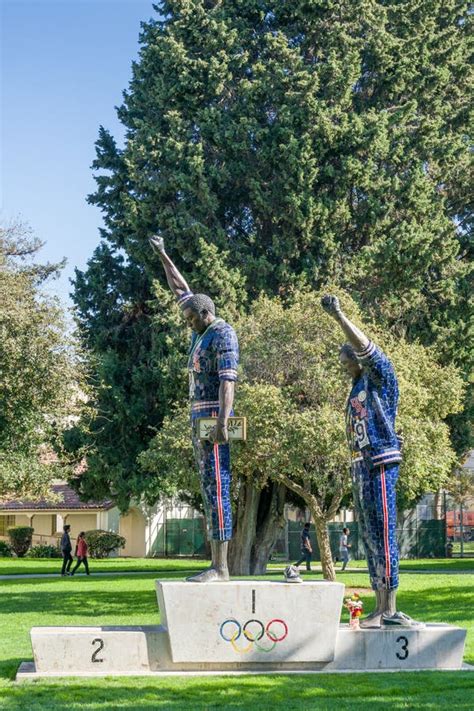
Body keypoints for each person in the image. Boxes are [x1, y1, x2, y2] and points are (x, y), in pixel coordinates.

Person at [321, 294, 422, 628]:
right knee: (368, 535)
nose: (343, 366)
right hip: (360, 465)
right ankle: (379, 606)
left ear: (360, 359)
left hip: (380, 463)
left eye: (346, 360)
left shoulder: (380, 377)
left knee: (383, 531)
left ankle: (390, 608)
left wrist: (339, 316)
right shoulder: (356, 388)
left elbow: (367, 348)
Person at [150, 234, 239, 583]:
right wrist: (163, 253)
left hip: (214, 418)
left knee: (218, 486)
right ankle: (216, 564)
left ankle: (221, 567)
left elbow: (227, 381)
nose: (187, 324)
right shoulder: (200, 331)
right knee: (206, 487)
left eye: (190, 319)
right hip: (197, 415)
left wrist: (223, 422)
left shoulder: (222, 334)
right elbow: (180, 289)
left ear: (205, 314)